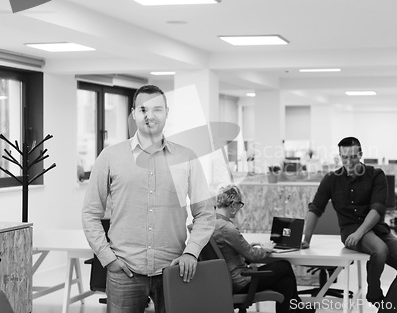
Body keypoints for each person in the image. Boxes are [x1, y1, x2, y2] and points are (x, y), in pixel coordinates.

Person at [82, 84, 216, 312]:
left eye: (157, 109)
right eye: (143, 109)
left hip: (174, 270)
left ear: (166, 113)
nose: (149, 116)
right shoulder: (110, 157)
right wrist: (108, 259)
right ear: (134, 113)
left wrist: (191, 252)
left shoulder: (186, 157)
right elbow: (90, 214)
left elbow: (205, 213)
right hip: (124, 270)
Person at [302, 137, 397, 313]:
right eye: (344, 157)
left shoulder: (376, 175)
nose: (349, 162)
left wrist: (360, 233)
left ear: (361, 154)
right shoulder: (331, 179)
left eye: (353, 157)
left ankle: (385, 308)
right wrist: (306, 239)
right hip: (350, 230)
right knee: (379, 250)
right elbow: (316, 208)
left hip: (376, 229)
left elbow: (377, 208)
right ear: (340, 156)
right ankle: (374, 293)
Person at [213, 184, 314, 313]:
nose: (239, 208)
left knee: (286, 282)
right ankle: (298, 308)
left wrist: (248, 246)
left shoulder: (212, 224)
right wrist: (265, 249)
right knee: (284, 266)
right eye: (239, 204)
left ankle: (295, 309)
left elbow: (230, 251)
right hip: (242, 281)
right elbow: (252, 256)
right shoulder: (227, 228)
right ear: (232, 204)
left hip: (228, 281)